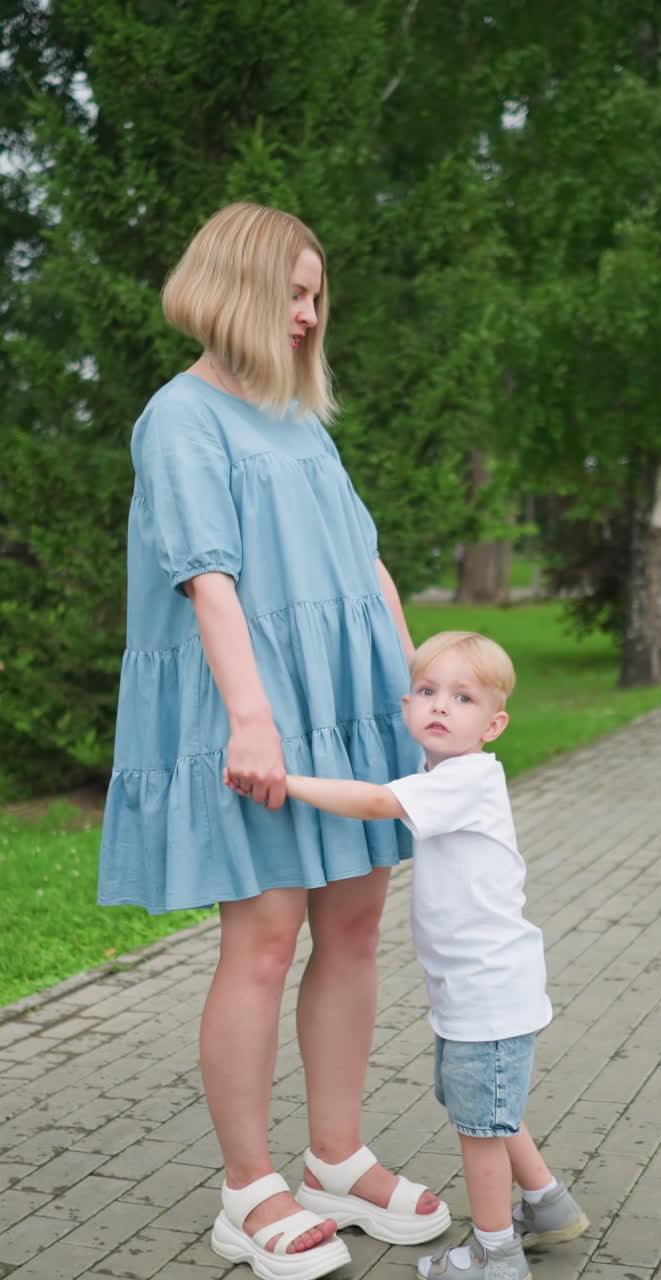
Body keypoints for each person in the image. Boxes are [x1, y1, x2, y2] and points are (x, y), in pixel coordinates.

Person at [97, 202, 451, 1280]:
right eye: (291, 294)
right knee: (262, 937)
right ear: (234, 286)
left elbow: (369, 564)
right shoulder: (180, 417)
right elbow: (208, 579)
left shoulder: (301, 419)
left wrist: (416, 689)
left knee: (355, 922)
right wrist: (252, 717)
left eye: (315, 297)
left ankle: (336, 1160)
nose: (306, 316)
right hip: (255, 700)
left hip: (347, 704)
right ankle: (247, 1188)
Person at [272, 630, 590, 1280]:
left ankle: (496, 1254)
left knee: (479, 1127)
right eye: (427, 692)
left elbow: (373, 803)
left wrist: (288, 782)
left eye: (463, 697)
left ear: (494, 723)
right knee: (486, 1108)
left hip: (488, 990)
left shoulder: (466, 779)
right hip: (472, 989)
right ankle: (547, 1205)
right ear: (407, 703)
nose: (441, 706)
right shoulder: (440, 773)